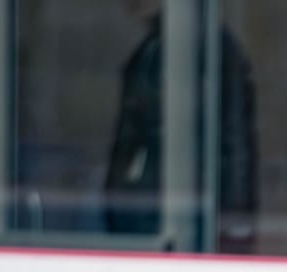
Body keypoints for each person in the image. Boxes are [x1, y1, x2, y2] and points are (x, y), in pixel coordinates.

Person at [104, 0, 257, 253]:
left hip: (185, 217)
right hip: (146, 214)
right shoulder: (149, 53)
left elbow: (235, 141)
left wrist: (235, 222)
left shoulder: (213, 50)